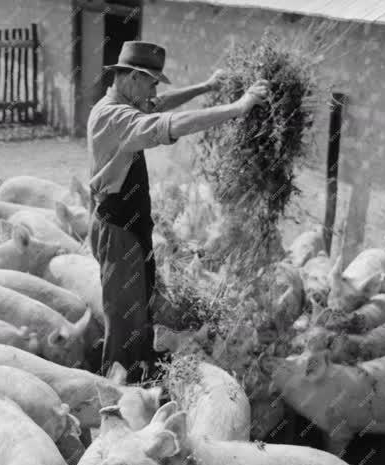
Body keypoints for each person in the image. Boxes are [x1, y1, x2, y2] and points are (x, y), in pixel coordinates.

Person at [88, 40, 268, 383]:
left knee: (138, 308)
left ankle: (138, 379)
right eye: (153, 81)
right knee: (124, 318)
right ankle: (113, 394)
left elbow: (162, 105)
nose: (155, 90)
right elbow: (170, 123)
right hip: (118, 227)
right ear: (133, 78)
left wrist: (206, 86)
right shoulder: (115, 116)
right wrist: (238, 107)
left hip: (130, 223)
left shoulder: (127, 103)